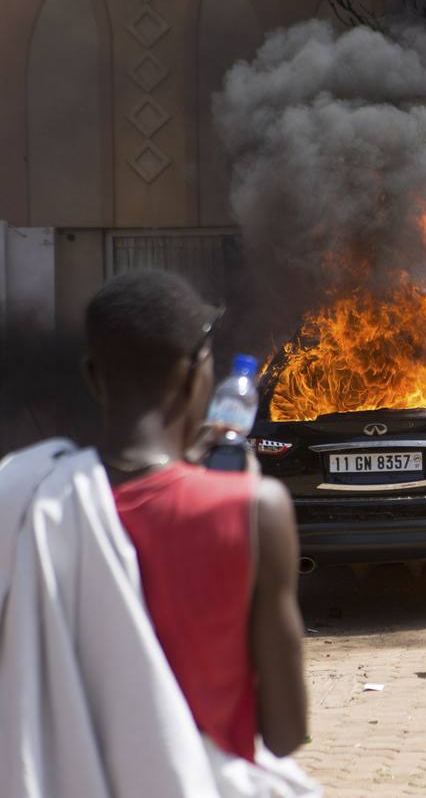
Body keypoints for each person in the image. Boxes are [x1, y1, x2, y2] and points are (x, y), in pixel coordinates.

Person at [84, 269, 307, 761]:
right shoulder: (255, 509)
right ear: (197, 374)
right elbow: (285, 733)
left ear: (94, 377)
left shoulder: (29, 499)